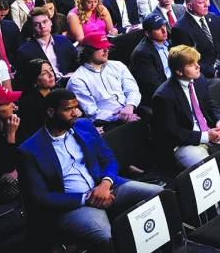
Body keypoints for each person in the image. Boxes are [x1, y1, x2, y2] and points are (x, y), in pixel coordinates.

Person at [18, 89, 163, 253]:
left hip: (106, 186)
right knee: (107, 240)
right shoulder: (30, 150)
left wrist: (105, 184)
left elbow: (108, 158)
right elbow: (40, 198)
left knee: (160, 194)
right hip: (73, 205)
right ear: (51, 112)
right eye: (68, 109)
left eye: (76, 107)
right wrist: (87, 199)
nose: (75, 113)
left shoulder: (84, 125)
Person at [150, 45, 220, 168]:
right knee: (209, 168)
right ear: (179, 71)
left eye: (197, 62)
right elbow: (172, 132)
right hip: (184, 145)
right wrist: (206, 137)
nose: (198, 66)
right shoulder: (163, 96)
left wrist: (219, 120)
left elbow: (210, 103)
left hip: (210, 132)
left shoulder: (199, 79)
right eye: (191, 64)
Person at [67, 33, 143, 128]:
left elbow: (133, 90)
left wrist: (130, 106)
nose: (106, 50)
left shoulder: (118, 65)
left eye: (107, 46)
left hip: (131, 108)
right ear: (88, 51)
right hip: (106, 121)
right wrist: (120, 116)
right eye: (100, 47)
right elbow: (92, 113)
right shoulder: (77, 80)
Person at [16, 6, 79, 77]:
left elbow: (77, 62)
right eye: (37, 24)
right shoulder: (25, 52)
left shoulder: (63, 40)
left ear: (51, 22)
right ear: (31, 27)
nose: (42, 26)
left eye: (45, 22)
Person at [129, 16, 172, 105]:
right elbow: (153, 85)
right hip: (163, 94)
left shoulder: (169, 42)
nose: (164, 31)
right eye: (158, 28)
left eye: (163, 26)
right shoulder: (142, 54)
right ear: (147, 33)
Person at [16, 58, 58, 144]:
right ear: (34, 80)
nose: (51, 75)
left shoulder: (59, 91)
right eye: (44, 73)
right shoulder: (29, 104)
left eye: (51, 70)